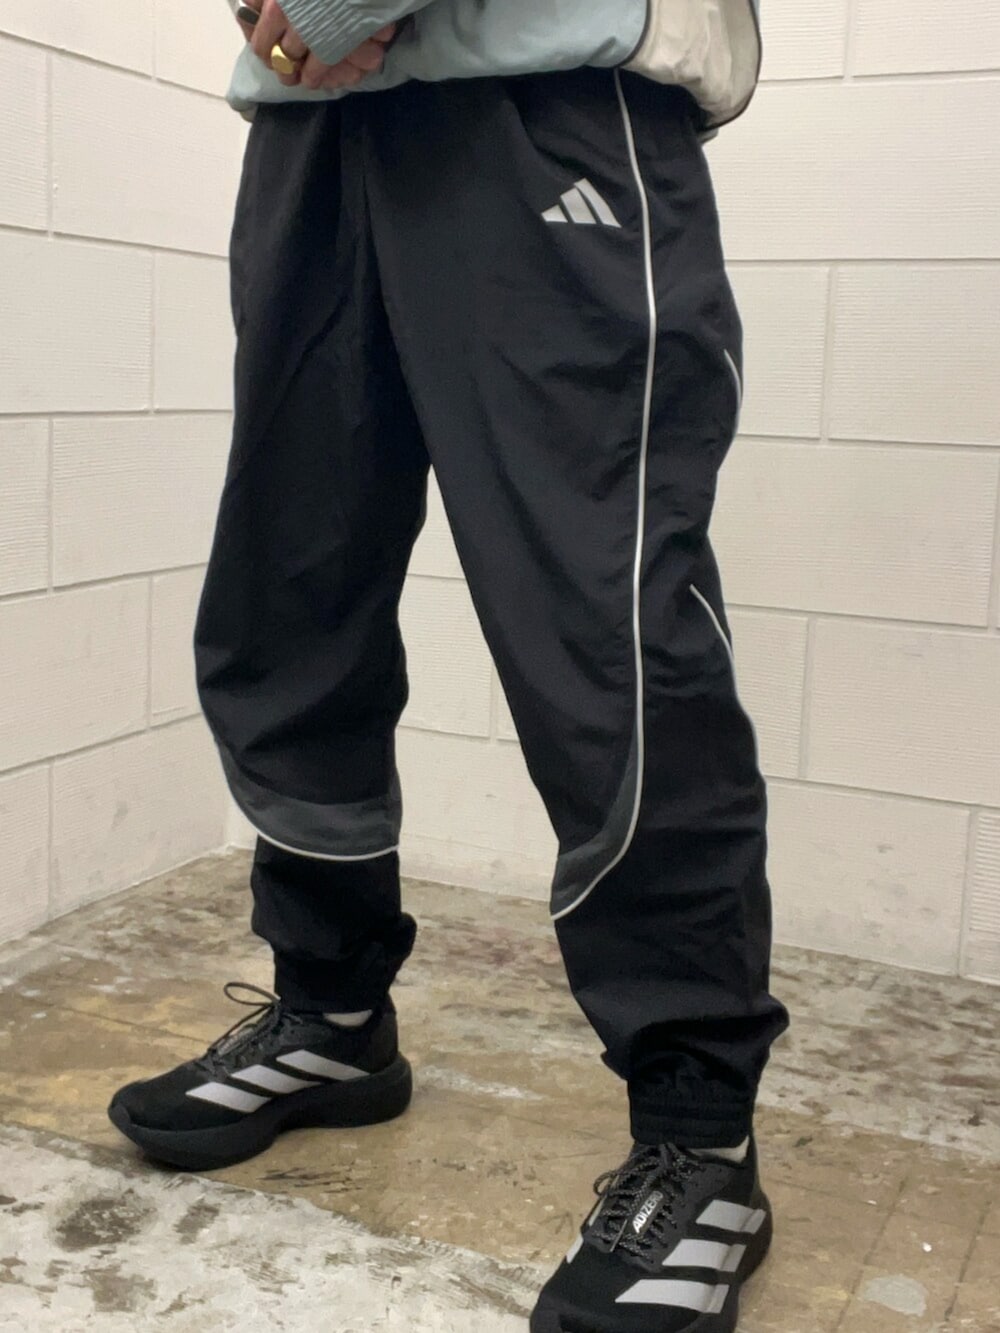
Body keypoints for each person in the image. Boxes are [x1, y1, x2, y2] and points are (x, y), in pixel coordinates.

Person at [108, 2, 790, 1328]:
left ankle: (700, 1133)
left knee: (602, 635)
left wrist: (324, 10)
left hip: (549, 99)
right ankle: (331, 1014)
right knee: (292, 598)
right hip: (314, 128)